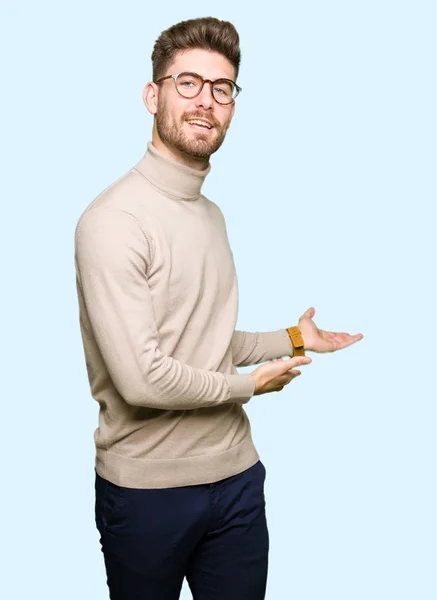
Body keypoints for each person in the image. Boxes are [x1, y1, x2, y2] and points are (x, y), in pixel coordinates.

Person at [74, 16, 363, 600]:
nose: (205, 101)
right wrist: (249, 387)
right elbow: (142, 378)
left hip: (235, 481)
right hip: (147, 495)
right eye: (188, 83)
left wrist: (296, 338)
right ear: (153, 94)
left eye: (221, 88)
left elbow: (203, 342)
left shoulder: (209, 214)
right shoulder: (112, 221)